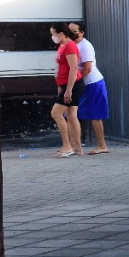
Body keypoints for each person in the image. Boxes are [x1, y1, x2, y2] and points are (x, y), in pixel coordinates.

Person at [69, 21, 110, 155]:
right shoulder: (71, 45)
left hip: (92, 83)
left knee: (95, 115)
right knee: (71, 113)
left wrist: (75, 83)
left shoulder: (85, 46)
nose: (71, 33)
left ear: (82, 33)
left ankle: (102, 145)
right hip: (81, 83)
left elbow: (87, 68)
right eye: (69, 30)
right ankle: (73, 145)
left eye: (74, 31)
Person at [49, 23, 84, 158]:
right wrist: (61, 87)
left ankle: (67, 146)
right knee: (71, 116)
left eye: (54, 34)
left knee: (56, 113)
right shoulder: (62, 45)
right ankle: (77, 148)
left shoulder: (70, 46)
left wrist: (68, 90)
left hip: (73, 84)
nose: (53, 37)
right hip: (65, 84)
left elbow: (74, 69)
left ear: (61, 34)